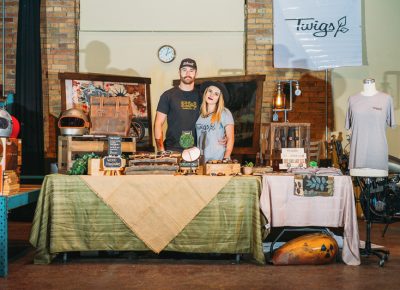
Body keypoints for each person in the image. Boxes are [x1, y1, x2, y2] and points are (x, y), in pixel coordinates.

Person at [345, 78, 396, 174]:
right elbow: (348, 126)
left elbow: (391, 123)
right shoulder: (352, 99)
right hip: (357, 161)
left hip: (379, 161)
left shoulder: (386, 99)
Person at [154, 58, 200, 152]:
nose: (187, 74)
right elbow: (158, 123)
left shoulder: (202, 96)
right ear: (179, 72)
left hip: (196, 150)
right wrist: (161, 150)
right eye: (184, 70)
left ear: (196, 73)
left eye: (191, 70)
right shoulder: (168, 95)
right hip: (172, 149)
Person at [195, 81, 234, 162]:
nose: (211, 95)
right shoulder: (200, 113)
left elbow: (230, 138)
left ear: (219, 98)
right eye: (210, 91)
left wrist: (225, 159)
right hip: (201, 161)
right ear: (206, 92)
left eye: (216, 94)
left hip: (218, 160)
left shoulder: (224, 113)